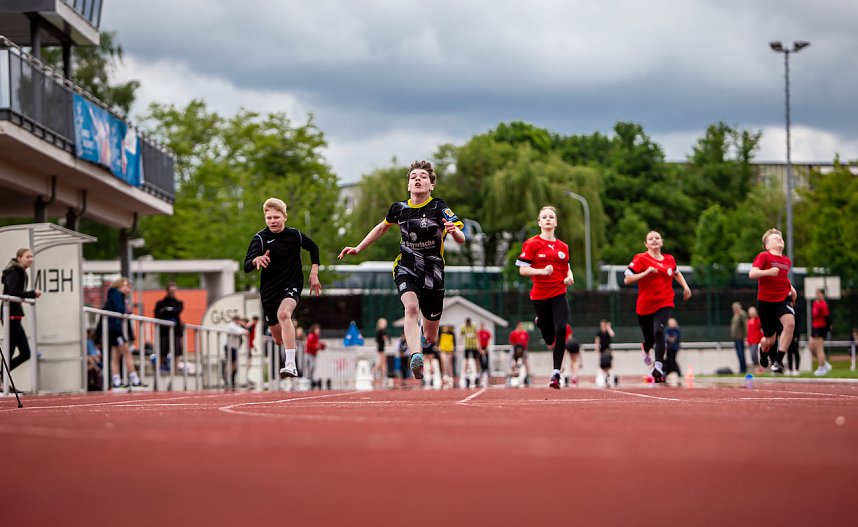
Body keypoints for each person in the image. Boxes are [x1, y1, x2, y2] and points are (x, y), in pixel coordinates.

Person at [338, 160, 465, 380]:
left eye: (423, 177)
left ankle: (422, 338)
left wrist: (454, 232)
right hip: (406, 266)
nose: (418, 179)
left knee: (431, 336)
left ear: (431, 185)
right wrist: (359, 248)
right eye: (413, 176)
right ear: (408, 185)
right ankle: (416, 355)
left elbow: (462, 238)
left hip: (433, 272)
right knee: (411, 308)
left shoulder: (438, 207)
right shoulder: (399, 209)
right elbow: (381, 228)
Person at [244, 197, 321, 378]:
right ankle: (287, 340)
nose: (272, 221)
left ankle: (291, 365)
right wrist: (256, 259)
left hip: (292, 284)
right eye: (269, 218)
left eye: (276, 217)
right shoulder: (260, 239)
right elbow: (246, 266)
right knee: (277, 339)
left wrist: (314, 272)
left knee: (284, 314)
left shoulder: (294, 235)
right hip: (269, 292)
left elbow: (313, 247)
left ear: (285, 217)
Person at [516, 205, 575, 389]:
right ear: (539, 222)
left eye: (551, 217)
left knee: (561, 329)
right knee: (549, 338)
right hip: (540, 296)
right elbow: (523, 270)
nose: (548, 219)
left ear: (555, 222)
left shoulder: (563, 247)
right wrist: (541, 271)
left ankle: (556, 373)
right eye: (544, 217)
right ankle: (541, 322)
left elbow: (567, 267)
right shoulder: (532, 244)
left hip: (559, 293)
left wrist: (570, 276)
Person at [623, 231, 692, 383]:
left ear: (662, 242)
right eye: (650, 239)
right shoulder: (641, 258)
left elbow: (676, 273)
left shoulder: (669, 259)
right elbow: (627, 279)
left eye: (657, 238)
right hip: (645, 306)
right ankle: (646, 347)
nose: (654, 240)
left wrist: (686, 287)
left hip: (664, 302)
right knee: (649, 339)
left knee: (659, 331)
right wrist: (646, 273)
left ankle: (658, 366)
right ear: (646, 244)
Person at [749, 228, 797, 375]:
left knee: (790, 323)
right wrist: (768, 272)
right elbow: (752, 273)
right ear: (767, 245)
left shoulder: (787, 261)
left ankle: (778, 361)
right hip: (766, 302)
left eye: (780, 238)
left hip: (782, 300)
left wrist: (792, 289)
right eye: (775, 238)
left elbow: (782, 279)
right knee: (769, 340)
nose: (779, 239)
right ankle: (762, 350)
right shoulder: (764, 256)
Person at [2, 248, 41, 377]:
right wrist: (32, 293)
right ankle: (2, 379)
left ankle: (2, 376)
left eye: (31, 257)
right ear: (19, 258)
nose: (31, 259)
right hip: (11, 314)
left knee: (25, 353)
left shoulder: (18, 271)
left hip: (15, 314)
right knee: (10, 350)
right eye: (27, 257)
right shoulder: (15, 271)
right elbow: (12, 292)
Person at [102, 277, 146, 390]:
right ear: (118, 285)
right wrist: (126, 310)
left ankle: (116, 381)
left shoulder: (116, 295)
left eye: (129, 287)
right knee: (127, 353)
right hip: (115, 328)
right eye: (124, 286)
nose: (127, 289)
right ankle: (134, 380)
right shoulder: (116, 294)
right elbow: (120, 309)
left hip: (114, 328)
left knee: (115, 355)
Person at [154, 281, 184, 372]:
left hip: (175, 332)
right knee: (162, 351)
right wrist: (169, 311)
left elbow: (177, 311)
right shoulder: (160, 303)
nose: (172, 292)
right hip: (163, 332)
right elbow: (157, 314)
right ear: (167, 290)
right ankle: (160, 369)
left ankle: (175, 370)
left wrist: (166, 310)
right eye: (170, 290)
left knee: (176, 352)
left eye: (174, 290)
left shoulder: (179, 303)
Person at [810, 288, 832, 376]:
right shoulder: (815, 303)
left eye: (819, 293)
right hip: (814, 327)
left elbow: (827, 317)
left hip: (821, 327)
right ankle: (825, 363)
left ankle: (821, 368)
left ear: (822, 294)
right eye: (816, 293)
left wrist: (828, 328)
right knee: (811, 347)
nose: (817, 295)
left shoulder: (823, 304)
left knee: (819, 348)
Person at [224, 315, 248, 388]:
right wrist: (244, 330)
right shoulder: (231, 325)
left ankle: (231, 379)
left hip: (234, 347)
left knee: (234, 365)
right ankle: (227, 378)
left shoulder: (236, 326)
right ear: (236, 320)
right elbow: (240, 331)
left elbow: (243, 330)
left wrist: (244, 328)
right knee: (231, 364)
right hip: (230, 347)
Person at [595, 319, 615, 387]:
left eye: (603, 324)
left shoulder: (608, 331)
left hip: (607, 350)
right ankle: (604, 378)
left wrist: (609, 328)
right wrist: (596, 347)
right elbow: (597, 340)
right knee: (603, 365)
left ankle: (609, 378)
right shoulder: (599, 332)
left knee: (609, 365)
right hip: (602, 351)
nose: (602, 326)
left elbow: (612, 334)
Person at [460, 318, 480, 386]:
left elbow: (477, 336)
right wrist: (460, 345)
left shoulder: (474, 327)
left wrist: (478, 344)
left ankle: (477, 376)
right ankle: (466, 376)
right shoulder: (463, 328)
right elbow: (461, 336)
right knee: (466, 361)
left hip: (474, 346)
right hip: (467, 346)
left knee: (476, 360)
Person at [305, 324, 326, 388]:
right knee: (311, 365)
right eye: (317, 329)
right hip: (309, 353)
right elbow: (309, 344)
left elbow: (318, 345)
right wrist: (316, 346)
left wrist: (321, 346)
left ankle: (310, 377)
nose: (318, 331)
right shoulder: (311, 336)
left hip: (313, 354)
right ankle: (308, 377)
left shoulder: (316, 337)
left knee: (313, 366)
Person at [730, 302, 749, 374]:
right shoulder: (736, 315)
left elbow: (745, 325)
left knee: (741, 353)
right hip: (736, 337)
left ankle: (743, 369)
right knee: (738, 353)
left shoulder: (742, 314)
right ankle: (741, 369)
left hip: (740, 337)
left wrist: (746, 336)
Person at [437, 324, 456, 388]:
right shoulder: (440, 333)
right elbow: (438, 340)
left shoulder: (451, 333)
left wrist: (454, 348)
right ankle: (445, 375)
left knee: (449, 363)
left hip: (449, 349)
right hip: (443, 349)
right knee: (444, 361)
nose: (445, 328)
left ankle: (450, 375)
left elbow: (454, 341)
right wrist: (438, 346)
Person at [746, 306, 764, 374]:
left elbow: (761, 329)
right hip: (750, 340)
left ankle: (759, 366)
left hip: (757, 340)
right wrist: (746, 340)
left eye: (753, 312)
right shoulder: (748, 321)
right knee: (752, 354)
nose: (751, 314)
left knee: (754, 353)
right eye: (750, 312)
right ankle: (757, 367)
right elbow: (748, 332)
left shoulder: (758, 320)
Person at [374, 318, 390, 382]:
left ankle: (383, 375)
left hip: (381, 347)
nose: (385, 325)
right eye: (384, 323)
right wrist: (386, 339)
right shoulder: (381, 331)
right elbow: (384, 338)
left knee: (383, 362)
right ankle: (374, 371)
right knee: (382, 362)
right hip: (381, 348)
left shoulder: (380, 331)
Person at [477, 322, 492, 387]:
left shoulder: (487, 332)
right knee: (480, 364)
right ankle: (480, 378)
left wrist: (485, 350)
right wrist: (480, 349)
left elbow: (489, 341)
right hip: (480, 349)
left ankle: (487, 378)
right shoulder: (478, 332)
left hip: (486, 349)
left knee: (486, 364)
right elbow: (477, 341)